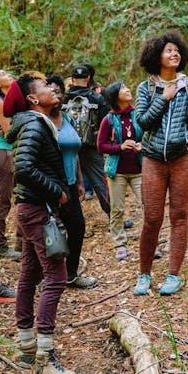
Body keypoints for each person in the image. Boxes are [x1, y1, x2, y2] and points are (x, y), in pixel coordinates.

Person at [5, 71, 78, 374]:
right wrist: (57, 192)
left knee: (30, 274)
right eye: (46, 86)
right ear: (33, 99)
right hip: (38, 209)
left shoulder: (36, 123)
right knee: (56, 277)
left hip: (31, 207)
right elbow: (23, 168)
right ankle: (45, 358)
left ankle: (26, 348)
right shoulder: (36, 124)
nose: (53, 88)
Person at [133, 31, 188, 296]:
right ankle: (144, 274)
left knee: (179, 216)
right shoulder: (145, 88)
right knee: (152, 218)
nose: (174, 54)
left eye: (177, 50)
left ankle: (173, 275)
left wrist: (185, 138)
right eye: (168, 50)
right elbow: (142, 123)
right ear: (157, 56)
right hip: (153, 159)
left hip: (183, 159)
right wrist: (163, 98)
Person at [47, 74, 97, 288]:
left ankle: (70, 274)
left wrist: (79, 181)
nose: (55, 96)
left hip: (69, 183)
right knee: (49, 232)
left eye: (58, 91)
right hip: (48, 186)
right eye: (50, 92)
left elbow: (74, 150)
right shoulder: (39, 121)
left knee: (77, 228)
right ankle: (48, 278)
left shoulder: (67, 118)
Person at [97, 81, 143, 261]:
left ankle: (149, 243)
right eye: (123, 89)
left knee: (148, 205)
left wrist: (142, 145)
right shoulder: (108, 119)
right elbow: (100, 146)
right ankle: (120, 245)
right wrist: (120, 147)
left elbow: (148, 135)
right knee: (117, 209)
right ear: (116, 96)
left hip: (139, 169)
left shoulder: (138, 114)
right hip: (118, 172)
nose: (128, 89)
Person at [62, 65, 110, 217]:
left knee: (67, 182)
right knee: (101, 183)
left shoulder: (62, 98)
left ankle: (66, 221)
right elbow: (105, 123)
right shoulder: (97, 97)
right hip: (91, 146)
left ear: (73, 79)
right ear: (89, 78)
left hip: (68, 147)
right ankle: (114, 219)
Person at [0, 69, 21, 261]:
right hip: (4, 153)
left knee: (22, 197)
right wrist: (14, 125)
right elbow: (10, 131)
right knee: (4, 199)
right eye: (4, 75)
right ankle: (0, 246)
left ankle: (21, 241)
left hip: (14, 152)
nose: (9, 75)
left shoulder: (12, 100)